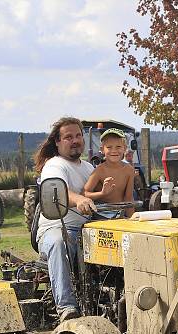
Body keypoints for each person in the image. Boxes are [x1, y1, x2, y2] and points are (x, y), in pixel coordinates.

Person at [33, 117, 96, 322]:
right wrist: (79, 199)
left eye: (78, 135)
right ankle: (67, 308)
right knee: (60, 242)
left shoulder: (88, 168)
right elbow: (59, 191)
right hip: (56, 228)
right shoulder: (54, 166)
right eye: (68, 137)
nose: (75, 140)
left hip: (88, 231)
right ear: (58, 143)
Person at [83, 128, 135, 217]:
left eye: (118, 147)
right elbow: (84, 193)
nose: (114, 150)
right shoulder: (99, 171)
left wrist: (132, 219)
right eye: (109, 147)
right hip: (101, 215)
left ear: (124, 148)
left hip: (120, 215)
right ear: (102, 149)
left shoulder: (129, 170)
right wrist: (102, 193)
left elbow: (129, 198)